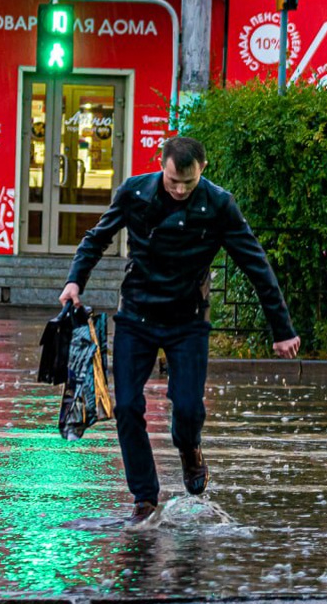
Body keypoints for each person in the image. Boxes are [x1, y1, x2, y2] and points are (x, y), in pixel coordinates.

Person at [60, 136, 301, 524]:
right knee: (126, 406)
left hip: (188, 320)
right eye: (173, 181)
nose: (179, 190)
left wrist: (282, 329)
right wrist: (75, 281)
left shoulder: (219, 205)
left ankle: (190, 448)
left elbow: (256, 264)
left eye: (188, 183)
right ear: (162, 165)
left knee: (188, 408)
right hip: (136, 314)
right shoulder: (135, 192)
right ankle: (144, 497)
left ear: (202, 169)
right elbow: (97, 238)